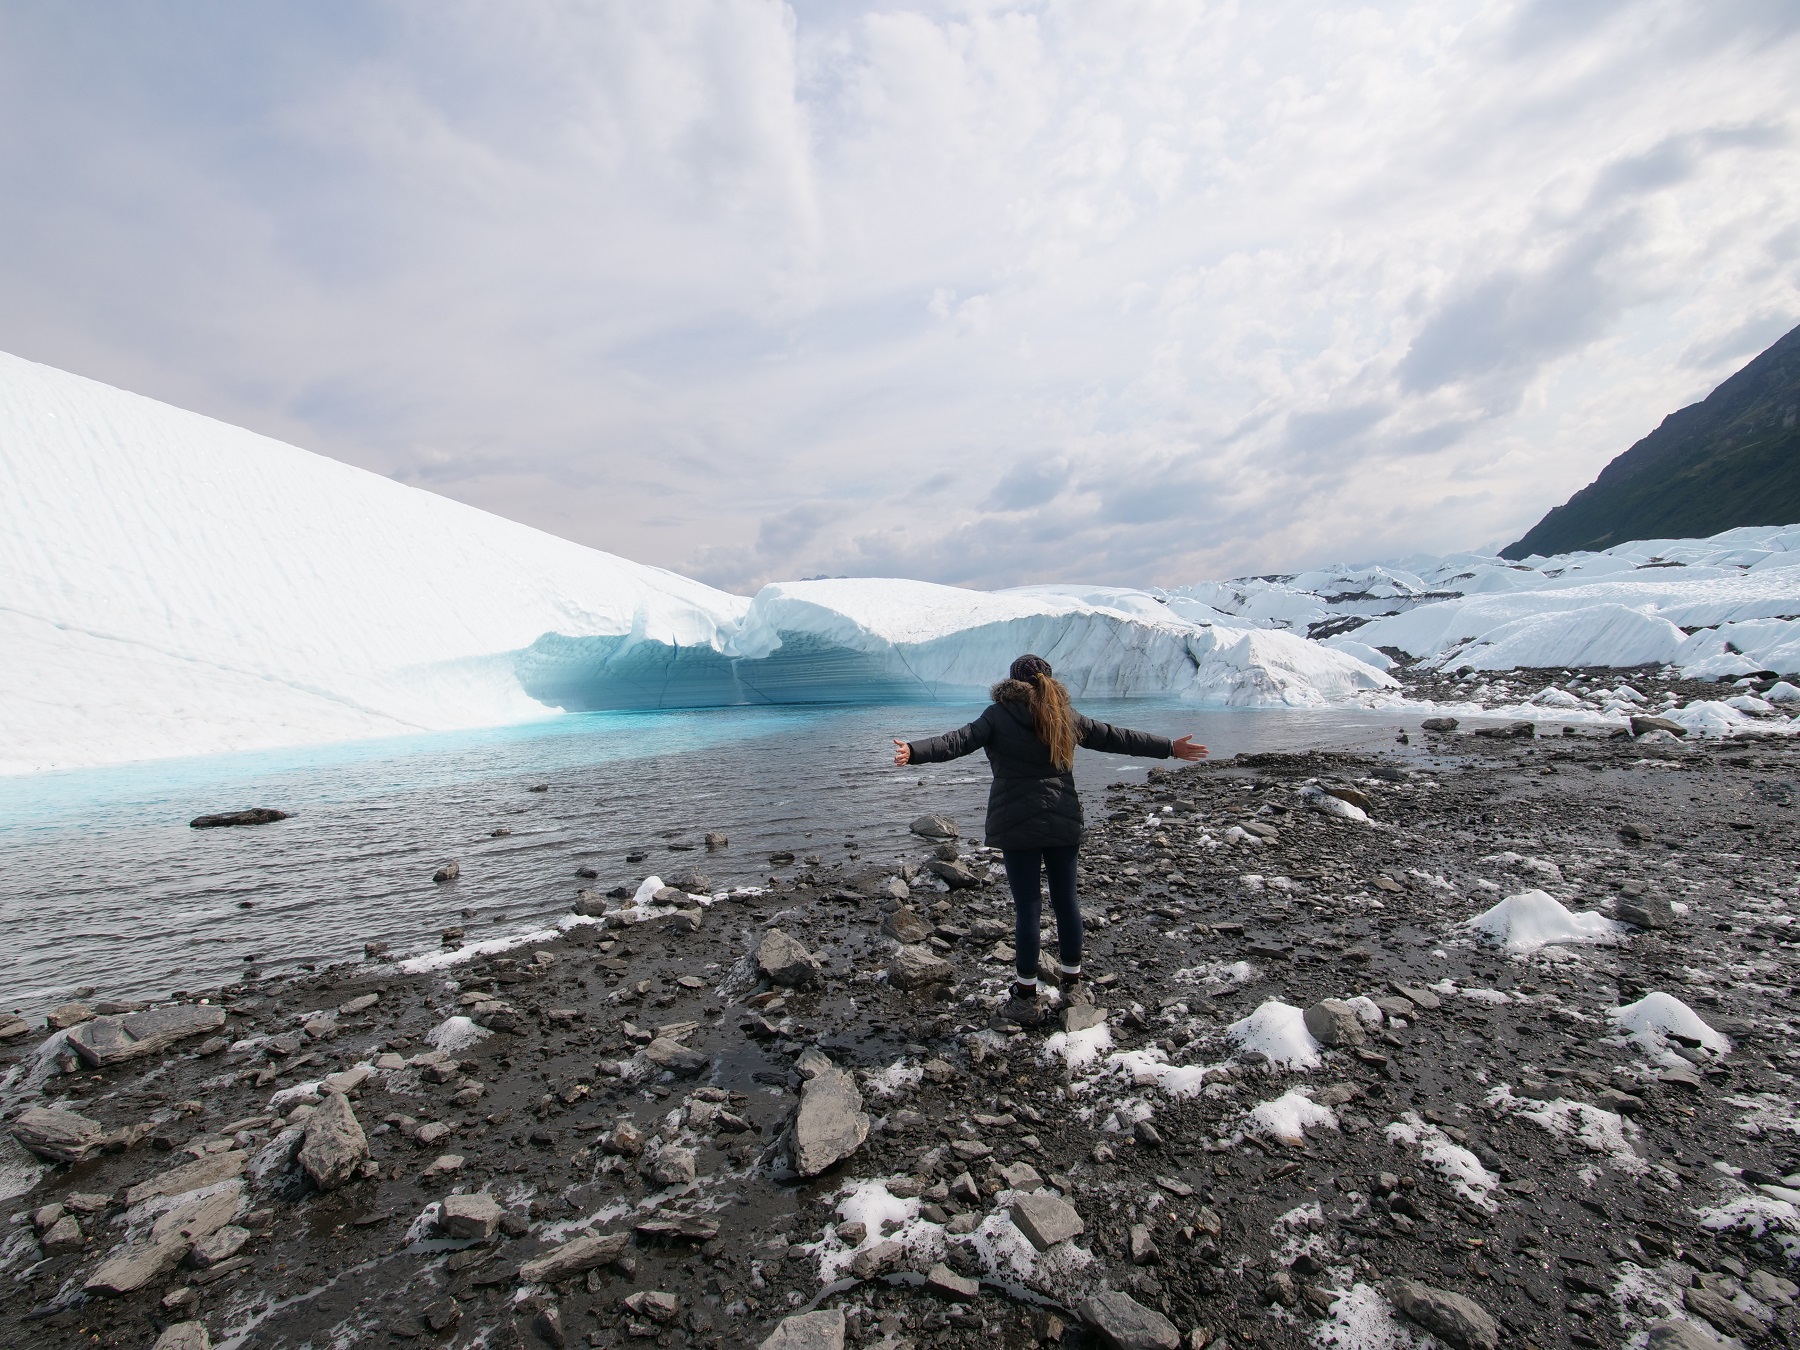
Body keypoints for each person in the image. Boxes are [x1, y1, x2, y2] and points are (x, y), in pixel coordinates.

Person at [892, 654, 1207, 1026]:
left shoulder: (997, 715)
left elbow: (957, 741)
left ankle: (1025, 997)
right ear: (1048, 680)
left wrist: (914, 751)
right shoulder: (1064, 715)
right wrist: (1170, 747)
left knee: (1028, 908)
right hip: (1062, 820)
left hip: (1016, 824)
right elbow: (1117, 738)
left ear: (1011, 683)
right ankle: (1073, 986)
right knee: (1066, 902)